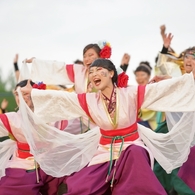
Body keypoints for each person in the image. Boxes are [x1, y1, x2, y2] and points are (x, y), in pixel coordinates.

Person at [18, 57, 195, 195]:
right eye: (91, 71)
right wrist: (33, 94)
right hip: (104, 149)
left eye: (99, 70)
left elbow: (161, 90)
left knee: (136, 169)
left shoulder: (131, 94)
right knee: (82, 187)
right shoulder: (89, 100)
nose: (93, 73)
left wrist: (190, 78)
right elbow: (63, 99)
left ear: (111, 73)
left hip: (131, 145)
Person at [0, 80, 64, 195]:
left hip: (49, 167)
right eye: (17, 94)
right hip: (22, 167)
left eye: (25, 93)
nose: (20, 98)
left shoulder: (53, 118)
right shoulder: (13, 119)